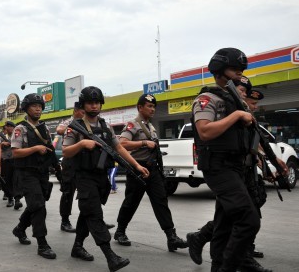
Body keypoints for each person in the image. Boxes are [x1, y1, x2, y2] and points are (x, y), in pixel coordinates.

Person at [190, 48, 286, 271]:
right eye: (234, 70)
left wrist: (271, 161)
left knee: (224, 226)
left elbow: (253, 137)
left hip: (238, 167)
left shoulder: (237, 102)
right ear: (219, 70)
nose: (239, 75)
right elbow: (204, 132)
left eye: (241, 70)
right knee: (249, 220)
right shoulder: (207, 99)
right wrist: (236, 116)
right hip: (218, 167)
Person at [62, 86, 149, 272]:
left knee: (88, 212)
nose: (94, 106)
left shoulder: (105, 126)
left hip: (101, 178)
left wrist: (136, 165)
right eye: (89, 103)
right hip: (84, 177)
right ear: (83, 105)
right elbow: (66, 151)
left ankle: (77, 247)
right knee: (94, 214)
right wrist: (82, 143)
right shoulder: (75, 127)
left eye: (96, 102)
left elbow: (119, 148)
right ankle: (111, 256)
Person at [113, 94, 187, 251]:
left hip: (153, 169)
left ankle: (171, 236)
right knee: (131, 202)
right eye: (149, 106)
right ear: (140, 107)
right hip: (137, 168)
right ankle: (120, 232)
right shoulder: (133, 124)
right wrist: (143, 142)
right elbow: (122, 144)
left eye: (154, 106)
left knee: (161, 201)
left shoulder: (151, 127)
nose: (153, 109)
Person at [11, 93, 57, 259]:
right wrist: (35, 149)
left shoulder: (44, 128)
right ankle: (42, 244)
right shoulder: (20, 128)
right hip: (26, 173)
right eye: (33, 106)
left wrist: (57, 168)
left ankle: (20, 229)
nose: (38, 109)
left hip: (42, 173)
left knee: (35, 204)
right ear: (26, 108)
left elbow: (50, 150)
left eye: (40, 106)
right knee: (39, 207)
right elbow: (15, 153)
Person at [55, 101, 85, 233]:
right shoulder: (69, 122)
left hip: (85, 162)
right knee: (68, 192)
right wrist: (75, 126)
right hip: (70, 161)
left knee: (90, 192)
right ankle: (65, 221)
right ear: (76, 110)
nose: (84, 114)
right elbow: (59, 130)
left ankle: (95, 218)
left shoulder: (89, 122)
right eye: (82, 111)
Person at [0, 121, 16, 208]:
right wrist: (3, 143)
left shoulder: (17, 135)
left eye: (10, 126)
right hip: (6, 159)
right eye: (7, 127)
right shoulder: (3, 136)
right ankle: (10, 197)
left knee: (16, 179)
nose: (8, 128)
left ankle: (16, 198)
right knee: (6, 179)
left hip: (15, 159)